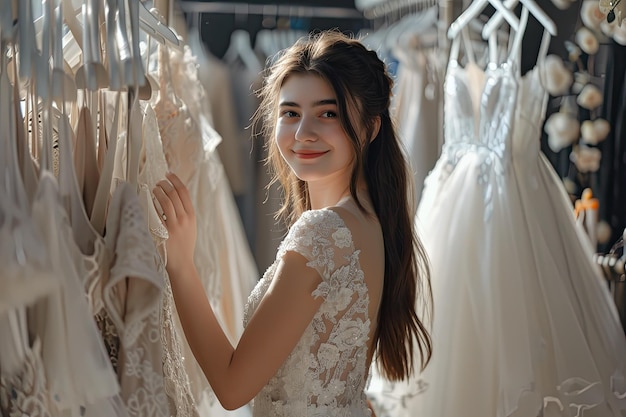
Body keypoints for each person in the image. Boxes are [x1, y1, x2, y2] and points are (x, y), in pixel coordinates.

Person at [152, 30, 432, 416]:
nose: (303, 133)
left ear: (370, 127)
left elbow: (232, 389)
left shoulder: (324, 233)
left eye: (327, 113)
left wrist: (181, 264)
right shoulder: (371, 219)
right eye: (291, 113)